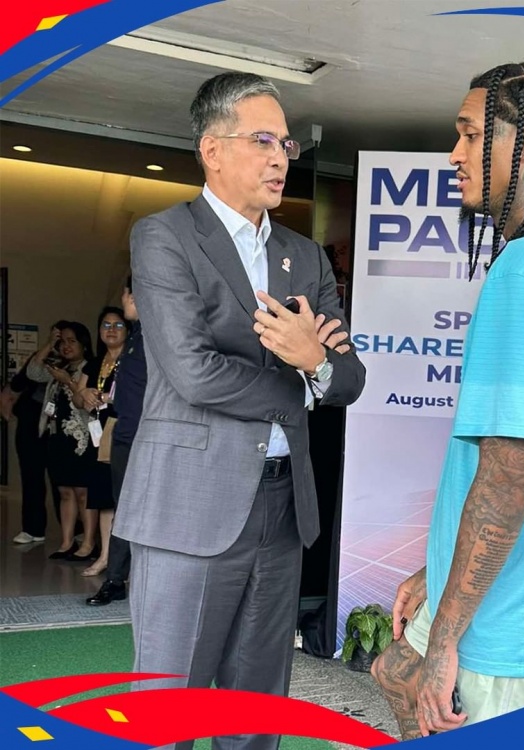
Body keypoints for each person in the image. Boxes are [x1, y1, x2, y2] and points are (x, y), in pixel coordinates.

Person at [114, 72, 365, 750]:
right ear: (212, 150)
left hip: (282, 510)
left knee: (257, 707)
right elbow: (193, 372)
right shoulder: (165, 236)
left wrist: (318, 364)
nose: (281, 156)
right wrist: (305, 372)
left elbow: (349, 378)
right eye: (262, 140)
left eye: (285, 143)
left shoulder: (304, 257)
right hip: (189, 507)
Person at [371, 61, 524, 738]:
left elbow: (510, 474)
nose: (454, 154)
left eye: (471, 135)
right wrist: (440, 569)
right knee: (391, 672)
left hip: (511, 614)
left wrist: (445, 642)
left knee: (426, 697)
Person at [87, 278, 146, 605]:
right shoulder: (136, 337)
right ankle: (115, 579)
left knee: (147, 509)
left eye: (125, 295)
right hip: (125, 434)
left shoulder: (160, 334)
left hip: (148, 438)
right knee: (124, 509)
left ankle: (145, 579)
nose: (124, 301)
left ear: (134, 296)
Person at [27, 322, 99, 560]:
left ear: (84, 344)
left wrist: (68, 380)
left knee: (83, 492)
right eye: (63, 341)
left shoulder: (92, 367)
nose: (66, 346)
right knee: (65, 492)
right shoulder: (58, 367)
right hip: (57, 437)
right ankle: (67, 542)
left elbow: (89, 402)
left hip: (82, 437)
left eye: (72, 341)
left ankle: (88, 543)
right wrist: (50, 343)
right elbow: (33, 372)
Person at [76, 306, 130, 577]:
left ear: (128, 330)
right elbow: (77, 397)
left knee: (123, 497)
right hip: (99, 433)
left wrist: (111, 398)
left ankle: (124, 562)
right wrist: (84, 394)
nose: (111, 330)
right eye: (106, 325)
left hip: (124, 431)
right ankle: (105, 556)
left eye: (118, 325)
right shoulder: (94, 363)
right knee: (103, 497)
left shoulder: (133, 361)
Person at [3, 347, 62, 544]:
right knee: (31, 477)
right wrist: (45, 351)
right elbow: (19, 382)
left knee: (61, 480)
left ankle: (74, 529)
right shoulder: (39, 360)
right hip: (30, 423)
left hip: (59, 426)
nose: (63, 345)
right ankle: (32, 528)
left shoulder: (76, 365)